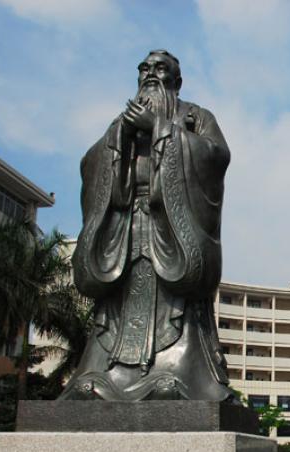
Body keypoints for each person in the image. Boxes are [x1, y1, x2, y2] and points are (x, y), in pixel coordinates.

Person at [63, 50, 233, 402]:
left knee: (176, 308)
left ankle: (178, 372)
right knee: (115, 309)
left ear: (177, 80)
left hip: (170, 232)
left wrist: (159, 128)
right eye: (145, 68)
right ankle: (102, 374)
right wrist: (121, 136)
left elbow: (216, 156)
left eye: (160, 69)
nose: (151, 74)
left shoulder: (195, 117)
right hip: (124, 231)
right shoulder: (121, 121)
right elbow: (90, 162)